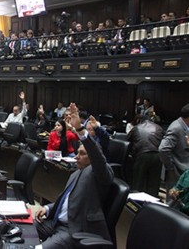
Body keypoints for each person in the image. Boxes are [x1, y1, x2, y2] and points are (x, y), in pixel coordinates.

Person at [35, 103, 114, 248]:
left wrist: (79, 129)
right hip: (55, 223)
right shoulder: (76, 173)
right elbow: (67, 203)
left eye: (82, 154)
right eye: (77, 153)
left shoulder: (101, 172)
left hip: (75, 231)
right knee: (20, 227)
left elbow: (97, 157)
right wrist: (47, 208)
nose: (76, 157)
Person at [127, 116, 164, 197]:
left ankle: (135, 204)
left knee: (138, 183)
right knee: (154, 184)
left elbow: (127, 140)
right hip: (158, 156)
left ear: (138, 120)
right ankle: (152, 206)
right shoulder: (159, 128)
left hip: (142, 155)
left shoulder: (136, 128)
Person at [159, 103, 189, 183]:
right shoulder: (176, 128)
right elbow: (163, 149)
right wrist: (171, 168)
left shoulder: (185, 126)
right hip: (177, 173)